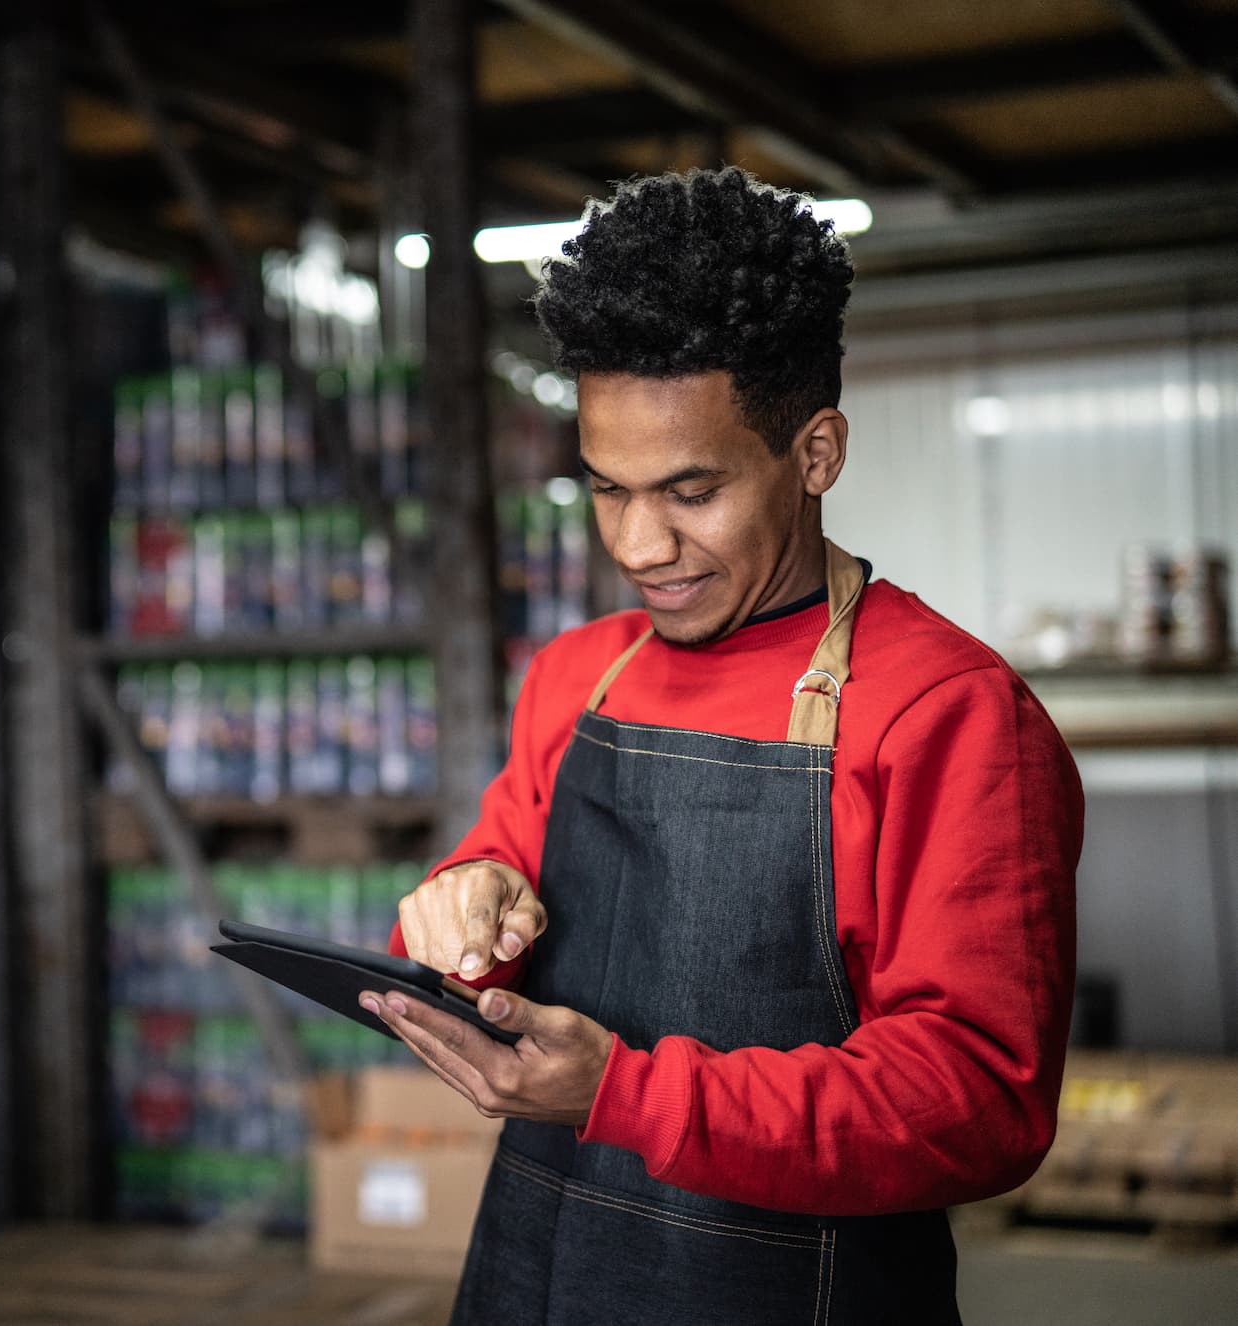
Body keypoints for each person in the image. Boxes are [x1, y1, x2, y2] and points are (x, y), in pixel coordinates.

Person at [358, 166, 1082, 1325]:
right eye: (606, 489)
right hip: (533, 1272)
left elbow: (976, 1102)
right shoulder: (577, 676)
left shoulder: (949, 714)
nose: (641, 543)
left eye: (692, 490)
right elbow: (482, 902)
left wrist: (630, 1094)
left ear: (816, 453)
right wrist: (463, 911)